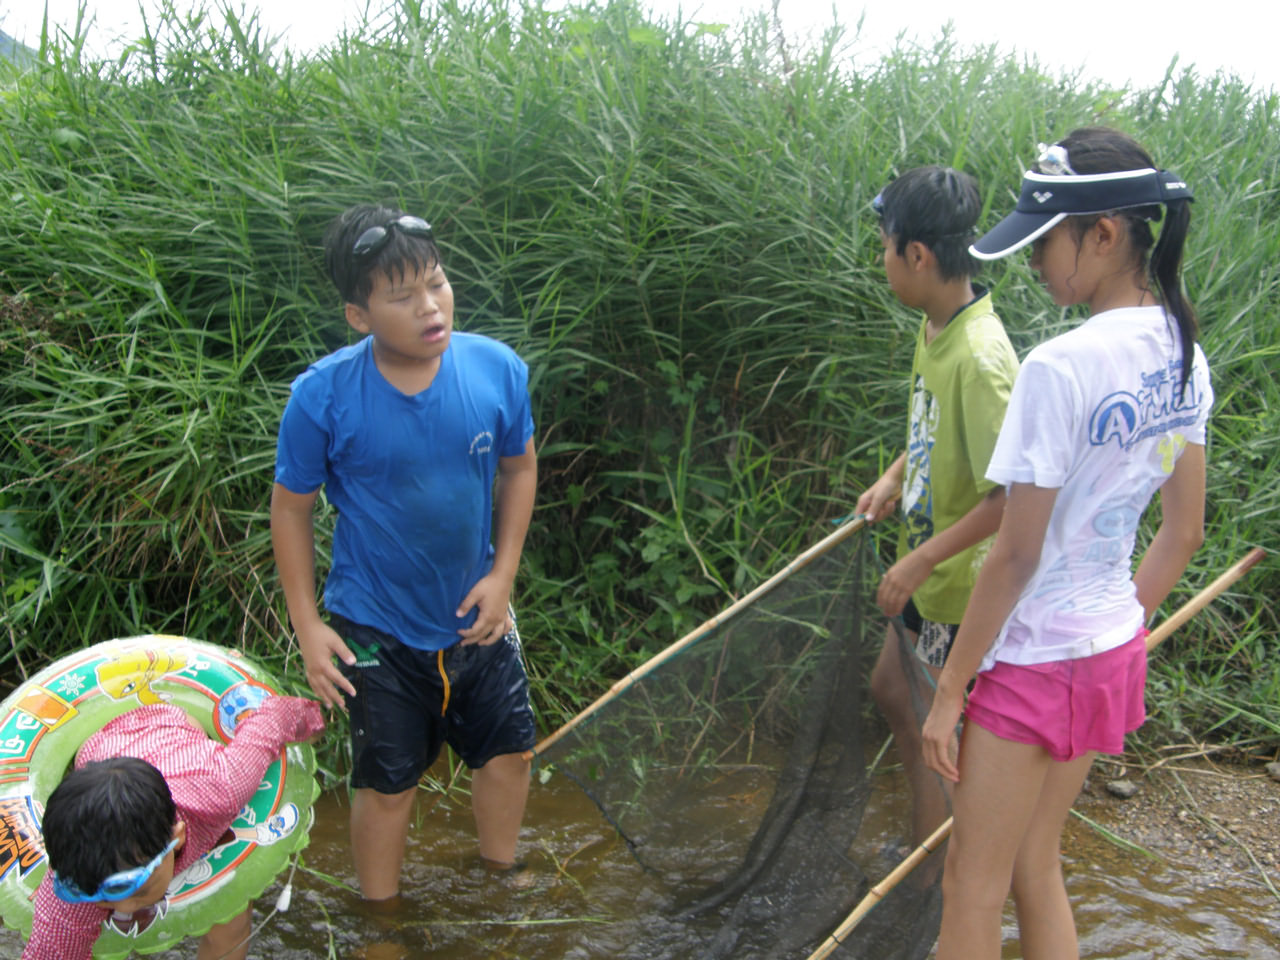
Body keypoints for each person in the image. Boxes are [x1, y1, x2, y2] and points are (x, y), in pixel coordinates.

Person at [921, 127, 1211, 959]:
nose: (1036, 263)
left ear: (1104, 234)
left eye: (1046, 242)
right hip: (1112, 649)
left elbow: (1014, 555)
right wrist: (1109, 634)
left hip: (1033, 661)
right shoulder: (1184, 347)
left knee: (969, 889)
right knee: (1036, 865)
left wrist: (950, 690)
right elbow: (1184, 532)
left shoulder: (1059, 365)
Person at [270, 204, 538, 902]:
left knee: (508, 753)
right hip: (377, 630)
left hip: (477, 614)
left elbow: (519, 469)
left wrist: (503, 575)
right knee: (387, 782)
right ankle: (379, 922)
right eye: (403, 296)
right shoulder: (321, 397)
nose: (430, 307)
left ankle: (500, 883)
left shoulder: (496, 370)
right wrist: (308, 627)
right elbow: (291, 510)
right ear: (359, 315)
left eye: (437, 284)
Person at [856, 165, 1019, 849]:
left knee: (932, 724)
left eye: (885, 245)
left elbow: (1012, 496)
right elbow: (932, 426)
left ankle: (940, 871)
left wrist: (920, 559)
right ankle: (929, 844)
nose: (881, 259)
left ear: (917, 255)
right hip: (931, 571)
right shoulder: (936, 327)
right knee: (894, 693)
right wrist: (896, 475)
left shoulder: (981, 358)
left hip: (957, 585)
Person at [24, 697, 325, 960]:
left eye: (140, 891)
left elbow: (271, 720)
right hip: (104, 745)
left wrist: (317, 722)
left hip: (172, 728)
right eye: (105, 898)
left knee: (230, 915)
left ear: (177, 838)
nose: (123, 906)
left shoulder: (219, 787)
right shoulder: (73, 876)